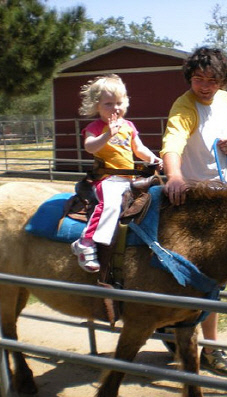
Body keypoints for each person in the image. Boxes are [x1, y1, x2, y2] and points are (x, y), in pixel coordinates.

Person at [160, 47, 227, 377]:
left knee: (213, 278)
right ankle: (207, 346)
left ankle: (193, 339)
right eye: (198, 79)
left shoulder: (226, 100)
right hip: (191, 200)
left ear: (223, 80)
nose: (205, 86)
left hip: (221, 199)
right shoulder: (184, 106)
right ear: (189, 78)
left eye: (213, 80)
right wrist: (175, 177)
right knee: (203, 279)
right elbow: (172, 143)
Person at [71, 74, 162, 273]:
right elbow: (90, 147)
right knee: (110, 205)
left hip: (128, 179)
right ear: (97, 106)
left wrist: (152, 158)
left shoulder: (128, 126)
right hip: (107, 179)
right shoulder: (94, 127)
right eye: (108, 104)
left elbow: (139, 148)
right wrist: (107, 134)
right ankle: (86, 242)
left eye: (119, 103)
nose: (115, 108)